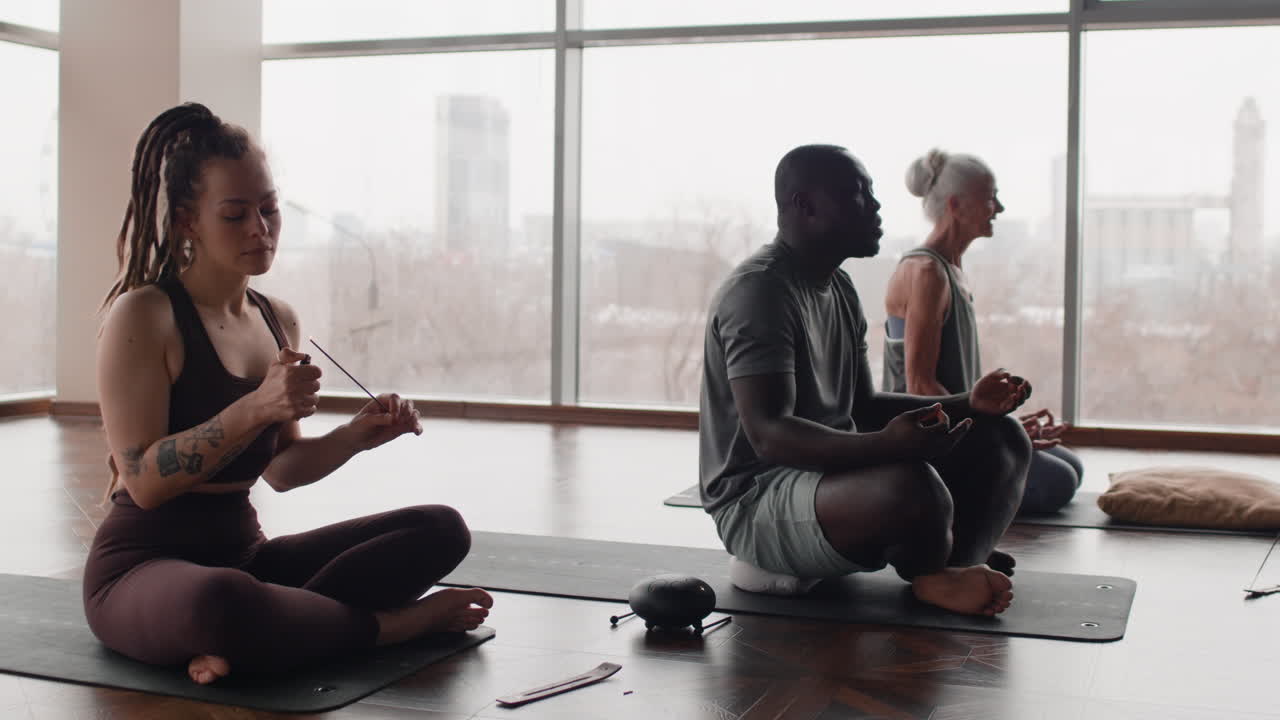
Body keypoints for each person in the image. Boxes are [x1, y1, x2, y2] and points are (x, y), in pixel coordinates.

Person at [84, 103, 492, 686]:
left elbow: (282, 470)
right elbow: (145, 482)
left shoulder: (278, 319)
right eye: (235, 214)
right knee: (220, 599)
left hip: (248, 559)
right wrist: (257, 406)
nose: (260, 228)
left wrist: (355, 436)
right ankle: (390, 627)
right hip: (142, 568)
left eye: (270, 209)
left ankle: (265, 634)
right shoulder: (145, 315)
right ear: (187, 221)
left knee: (440, 529)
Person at [699, 144, 1033, 616]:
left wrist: (968, 404)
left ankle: (954, 566)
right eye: (857, 194)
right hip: (756, 501)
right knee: (911, 485)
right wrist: (888, 445)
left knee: (1002, 439)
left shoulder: (839, 286)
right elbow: (770, 435)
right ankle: (933, 571)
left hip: (828, 476)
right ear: (804, 205)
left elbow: (864, 406)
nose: (875, 207)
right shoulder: (760, 292)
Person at [883, 149, 1082, 514]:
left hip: (958, 425)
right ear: (956, 205)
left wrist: (1004, 425)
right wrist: (994, 435)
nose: (999, 208)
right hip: (925, 440)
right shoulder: (926, 272)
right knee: (1059, 481)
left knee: (1072, 466)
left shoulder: (951, 270)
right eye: (991, 198)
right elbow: (920, 387)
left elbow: (960, 391)